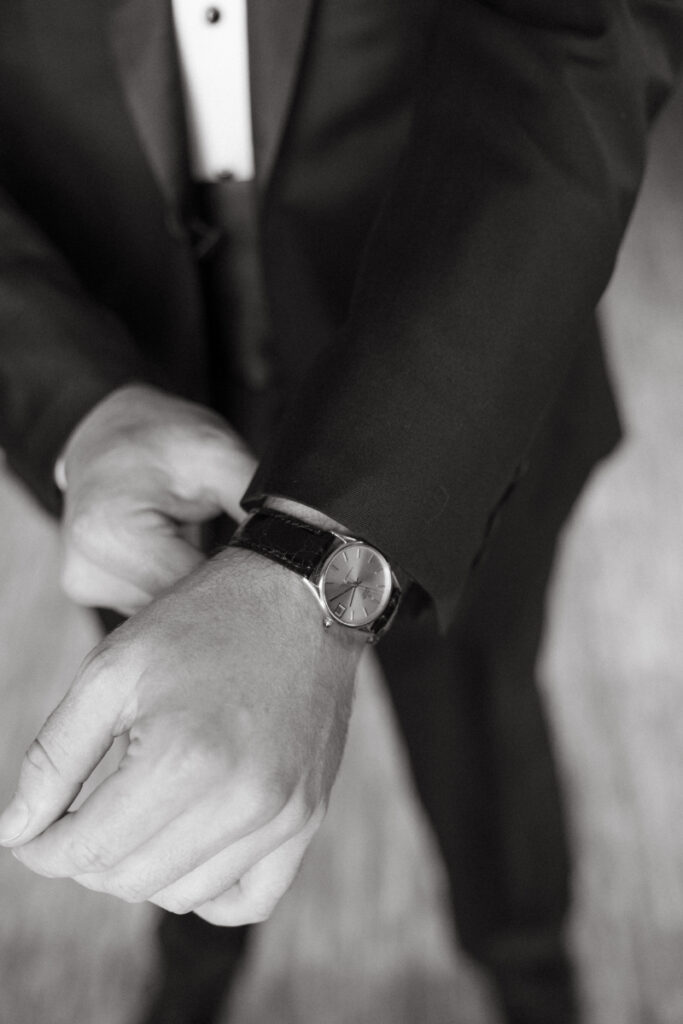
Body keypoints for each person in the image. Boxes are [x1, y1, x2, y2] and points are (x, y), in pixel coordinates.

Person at [0, 2, 681, 1023]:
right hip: (124, 407)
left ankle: (526, 962)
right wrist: (69, 402)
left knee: (480, 718)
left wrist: (323, 543)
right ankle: (194, 960)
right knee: (166, 740)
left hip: (461, 386)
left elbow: (577, 40)